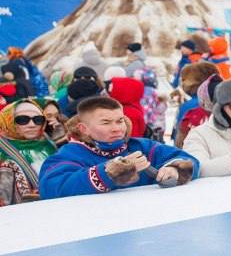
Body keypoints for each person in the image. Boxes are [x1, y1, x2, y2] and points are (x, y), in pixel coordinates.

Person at [38, 96, 198, 198]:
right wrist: (111, 172)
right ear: (83, 129)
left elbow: (188, 160)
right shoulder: (70, 155)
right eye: (106, 123)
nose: (117, 128)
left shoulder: (141, 146)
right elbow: (51, 187)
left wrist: (174, 169)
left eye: (120, 121)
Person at [0, 98, 59, 204]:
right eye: (22, 119)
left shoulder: (48, 143)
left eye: (38, 119)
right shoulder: (2, 151)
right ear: (7, 120)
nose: (32, 124)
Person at [106, 76, 147, 142]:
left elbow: (132, 140)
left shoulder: (129, 113)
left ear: (123, 92)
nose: (110, 93)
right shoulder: (128, 108)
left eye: (114, 89)